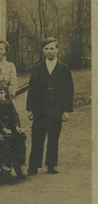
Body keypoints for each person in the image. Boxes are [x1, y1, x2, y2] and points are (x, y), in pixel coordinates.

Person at [26, 37, 74, 174]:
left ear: (57, 49)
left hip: (56, 108)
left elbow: (69, 90)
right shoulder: (37, 68)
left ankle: (51, 164)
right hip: (40, 108)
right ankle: (33, 165)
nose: (49, 51)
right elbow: (32, 89)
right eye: (46, 49)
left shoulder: (64, 68)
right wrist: (30, 109)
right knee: (37, 136)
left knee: (53, 137)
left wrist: (66, 110)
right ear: (43, 51)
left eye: (52, 48)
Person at [0, 83, 27, 177]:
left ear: (5, 93)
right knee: (6, 139)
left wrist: (17, 126)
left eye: (1, 92)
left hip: (10, 127)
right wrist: (4, 128)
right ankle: (10, 166)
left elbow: (15, 115)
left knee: (21, 136)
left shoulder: (9, 102)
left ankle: (21, 163)